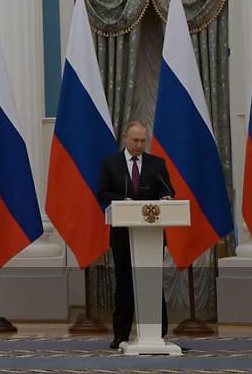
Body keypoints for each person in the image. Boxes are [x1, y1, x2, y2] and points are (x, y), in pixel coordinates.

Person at [97, 121, 174, 350]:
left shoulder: (156, 164)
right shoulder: (110, 163)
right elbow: (102, 192)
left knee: (152, 282)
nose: (139, 145)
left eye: (142, 141)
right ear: (125, 138)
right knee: (124, 285)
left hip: (151, 235)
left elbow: (167, 189)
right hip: (122, 235)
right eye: (135, 140)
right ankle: (120, 334)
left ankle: (158, 333)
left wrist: (167, 197)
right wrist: (122, 200)